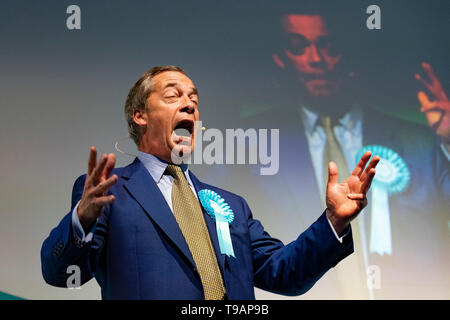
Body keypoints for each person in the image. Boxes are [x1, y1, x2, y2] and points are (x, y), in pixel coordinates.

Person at [41, 65, 379, 299]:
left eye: (194, 99)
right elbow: (61, 273)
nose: (189, 104)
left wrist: (333, 221)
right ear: (140, 115)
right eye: (173, 96)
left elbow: (285, 273)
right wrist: (82, 219)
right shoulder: (108, 192)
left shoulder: (230, 205)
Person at [233, 11, 450, 299]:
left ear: (347, 52)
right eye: (299, 46)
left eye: (328, 46)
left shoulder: (419, 141)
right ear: (280, 58)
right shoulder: (249, 144)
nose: (317, 59)